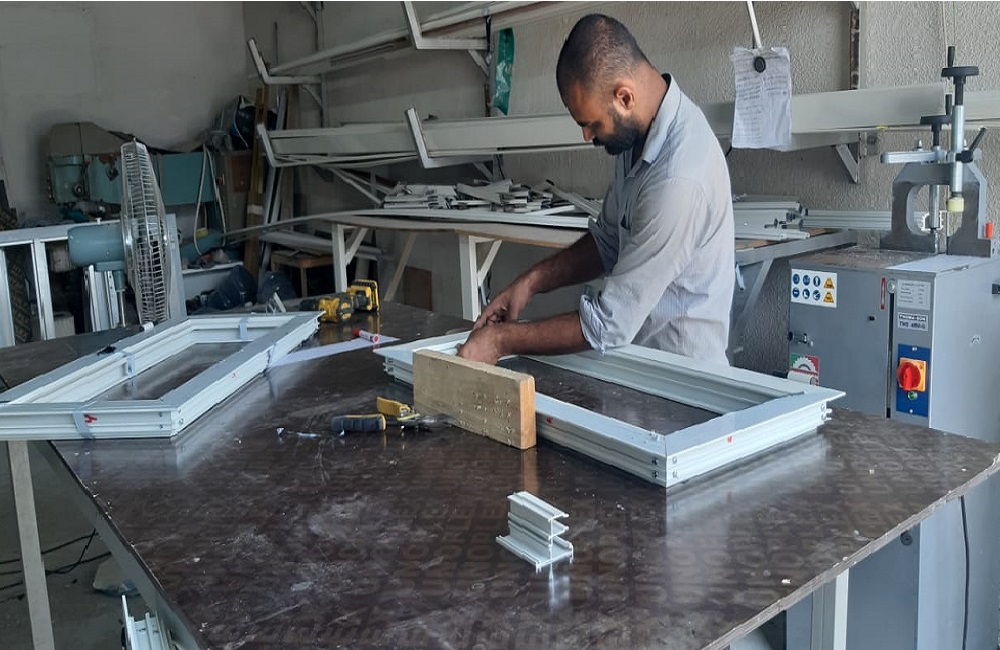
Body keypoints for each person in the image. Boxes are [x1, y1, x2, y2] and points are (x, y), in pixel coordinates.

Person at [457, 14, 734, 366]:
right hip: (636, 365)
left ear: (624, 97)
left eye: (591, 124)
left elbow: (608, 324)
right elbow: (607, 242)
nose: (587, 136)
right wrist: (529, 283)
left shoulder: (677, 181)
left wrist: (501, 341)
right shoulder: (637, 136)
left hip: (681, 382)